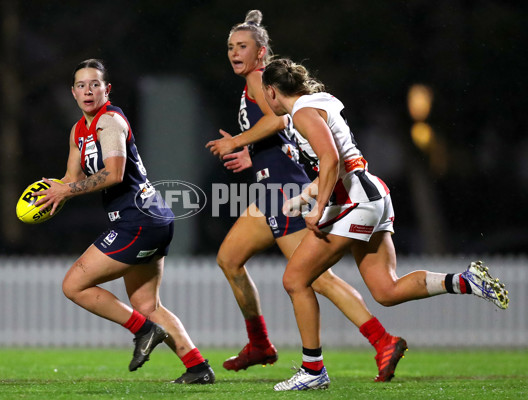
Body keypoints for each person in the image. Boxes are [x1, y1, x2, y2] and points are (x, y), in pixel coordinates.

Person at [260, 57, 510, 391]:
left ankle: (313, 369)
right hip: (370, 195)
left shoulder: (303, 112)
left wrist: (317, 208)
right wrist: (306, 197)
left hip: (355, 201)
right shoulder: (317, 104)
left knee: (295, 279)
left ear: (272, 92)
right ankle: (464, 281)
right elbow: (340, 162)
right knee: (386, 290)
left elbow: (331, 159)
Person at [206, 10, 406, 383]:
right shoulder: (253, 82)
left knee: (314, 278)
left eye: (242, 46)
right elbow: (282, 134)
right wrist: (254, 153)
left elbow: (280, 120)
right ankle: (260, 343)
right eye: (231, 47)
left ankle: (382, 341)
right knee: (229, 259)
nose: (235, 53)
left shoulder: (259, 81)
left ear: (261, 52)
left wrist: (238, 141)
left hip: (286, 189)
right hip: (269, 187)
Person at [32, 59, 214, 384]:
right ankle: (197, 366)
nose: (88, 90)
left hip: (138, 221)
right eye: (81, 85)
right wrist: (52, 197)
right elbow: (71, 179)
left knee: (74, 285)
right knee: (146, 303)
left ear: (107, 89)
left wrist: (67, 190)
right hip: (150, 219)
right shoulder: (78, 131)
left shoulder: (110, 122)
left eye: (95, 84)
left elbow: (113, 174)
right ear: (73, 92)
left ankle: (144, 331)